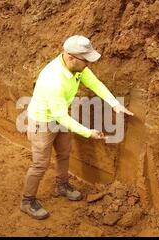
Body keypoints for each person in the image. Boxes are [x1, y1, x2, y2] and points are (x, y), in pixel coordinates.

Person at [21, 35, 134, 220]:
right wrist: (88, 133)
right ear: (71, 57)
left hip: (61, 117)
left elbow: (95, 84)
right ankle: (27, 201)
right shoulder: (53, 80)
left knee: (64, 154)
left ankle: (62, 185)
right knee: (40, 164)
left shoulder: (78, 68)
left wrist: (115, 104)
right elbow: (60, 117)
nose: (88, 64)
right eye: (86, 60)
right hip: (42, 122)